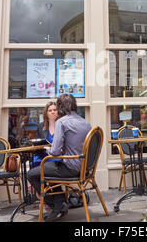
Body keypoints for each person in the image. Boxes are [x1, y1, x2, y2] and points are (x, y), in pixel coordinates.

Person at [27, 94, 91, 222]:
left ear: (60, 108)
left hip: (70, 168)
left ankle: (58, 204)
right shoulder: (86, 123)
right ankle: (60, 202)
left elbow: (55, 152)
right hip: (85, 169)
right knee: (49, 168)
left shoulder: (62, 122)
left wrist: (48, 149)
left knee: (32, 174)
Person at [32, 102, 61, 166]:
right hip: (44, 156)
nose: (52, 112)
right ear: (46, 113)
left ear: (58, 112)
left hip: (58, 156)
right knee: (33, 162)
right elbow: (38, 145)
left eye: (55, 110)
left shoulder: (62, 125)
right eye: (50, 110)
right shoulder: (41, 126)